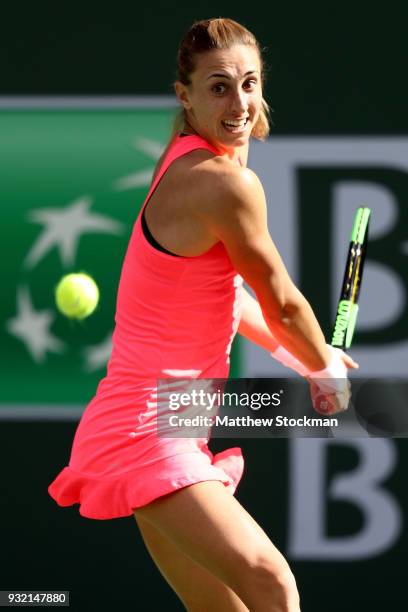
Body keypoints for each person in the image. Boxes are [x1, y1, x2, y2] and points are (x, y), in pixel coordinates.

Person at [48, 17, 358, 612]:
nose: (238, 102)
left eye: (249, 83)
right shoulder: (220, 184)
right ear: (184, 95)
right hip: (147, 424)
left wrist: (306, 358)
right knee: (272, 584)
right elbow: (282, 298)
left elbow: (234, 302)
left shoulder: (194, 160)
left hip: (171, 417)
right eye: (218, 86)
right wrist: (325, 370)